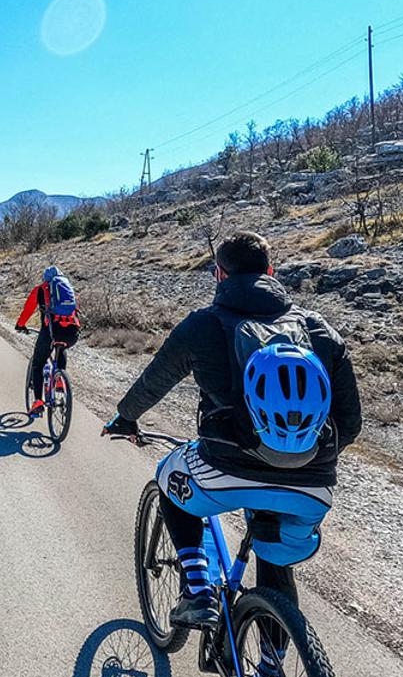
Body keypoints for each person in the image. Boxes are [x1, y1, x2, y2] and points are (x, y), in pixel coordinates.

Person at [104, 230, 362, 636]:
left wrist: (125, 416)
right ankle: (270, 676)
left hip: (225, 469)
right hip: (312, 484)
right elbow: (350, 423)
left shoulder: (203, 325)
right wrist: (298, 458)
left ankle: (197, 590)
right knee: (274, 560)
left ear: (219, 275)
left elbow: (154, 382)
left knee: (169, 478)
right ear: (271, 271)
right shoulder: (317, 329)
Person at [15, 266, 81, 417]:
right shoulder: (69, 290)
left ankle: (38, 401)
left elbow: (28, 309)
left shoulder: (41, 289)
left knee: (38, 364)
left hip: (50, 331)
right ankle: (59, 379)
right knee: (61, 347)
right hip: (72, 333)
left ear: (45, 278)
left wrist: (20, 324)